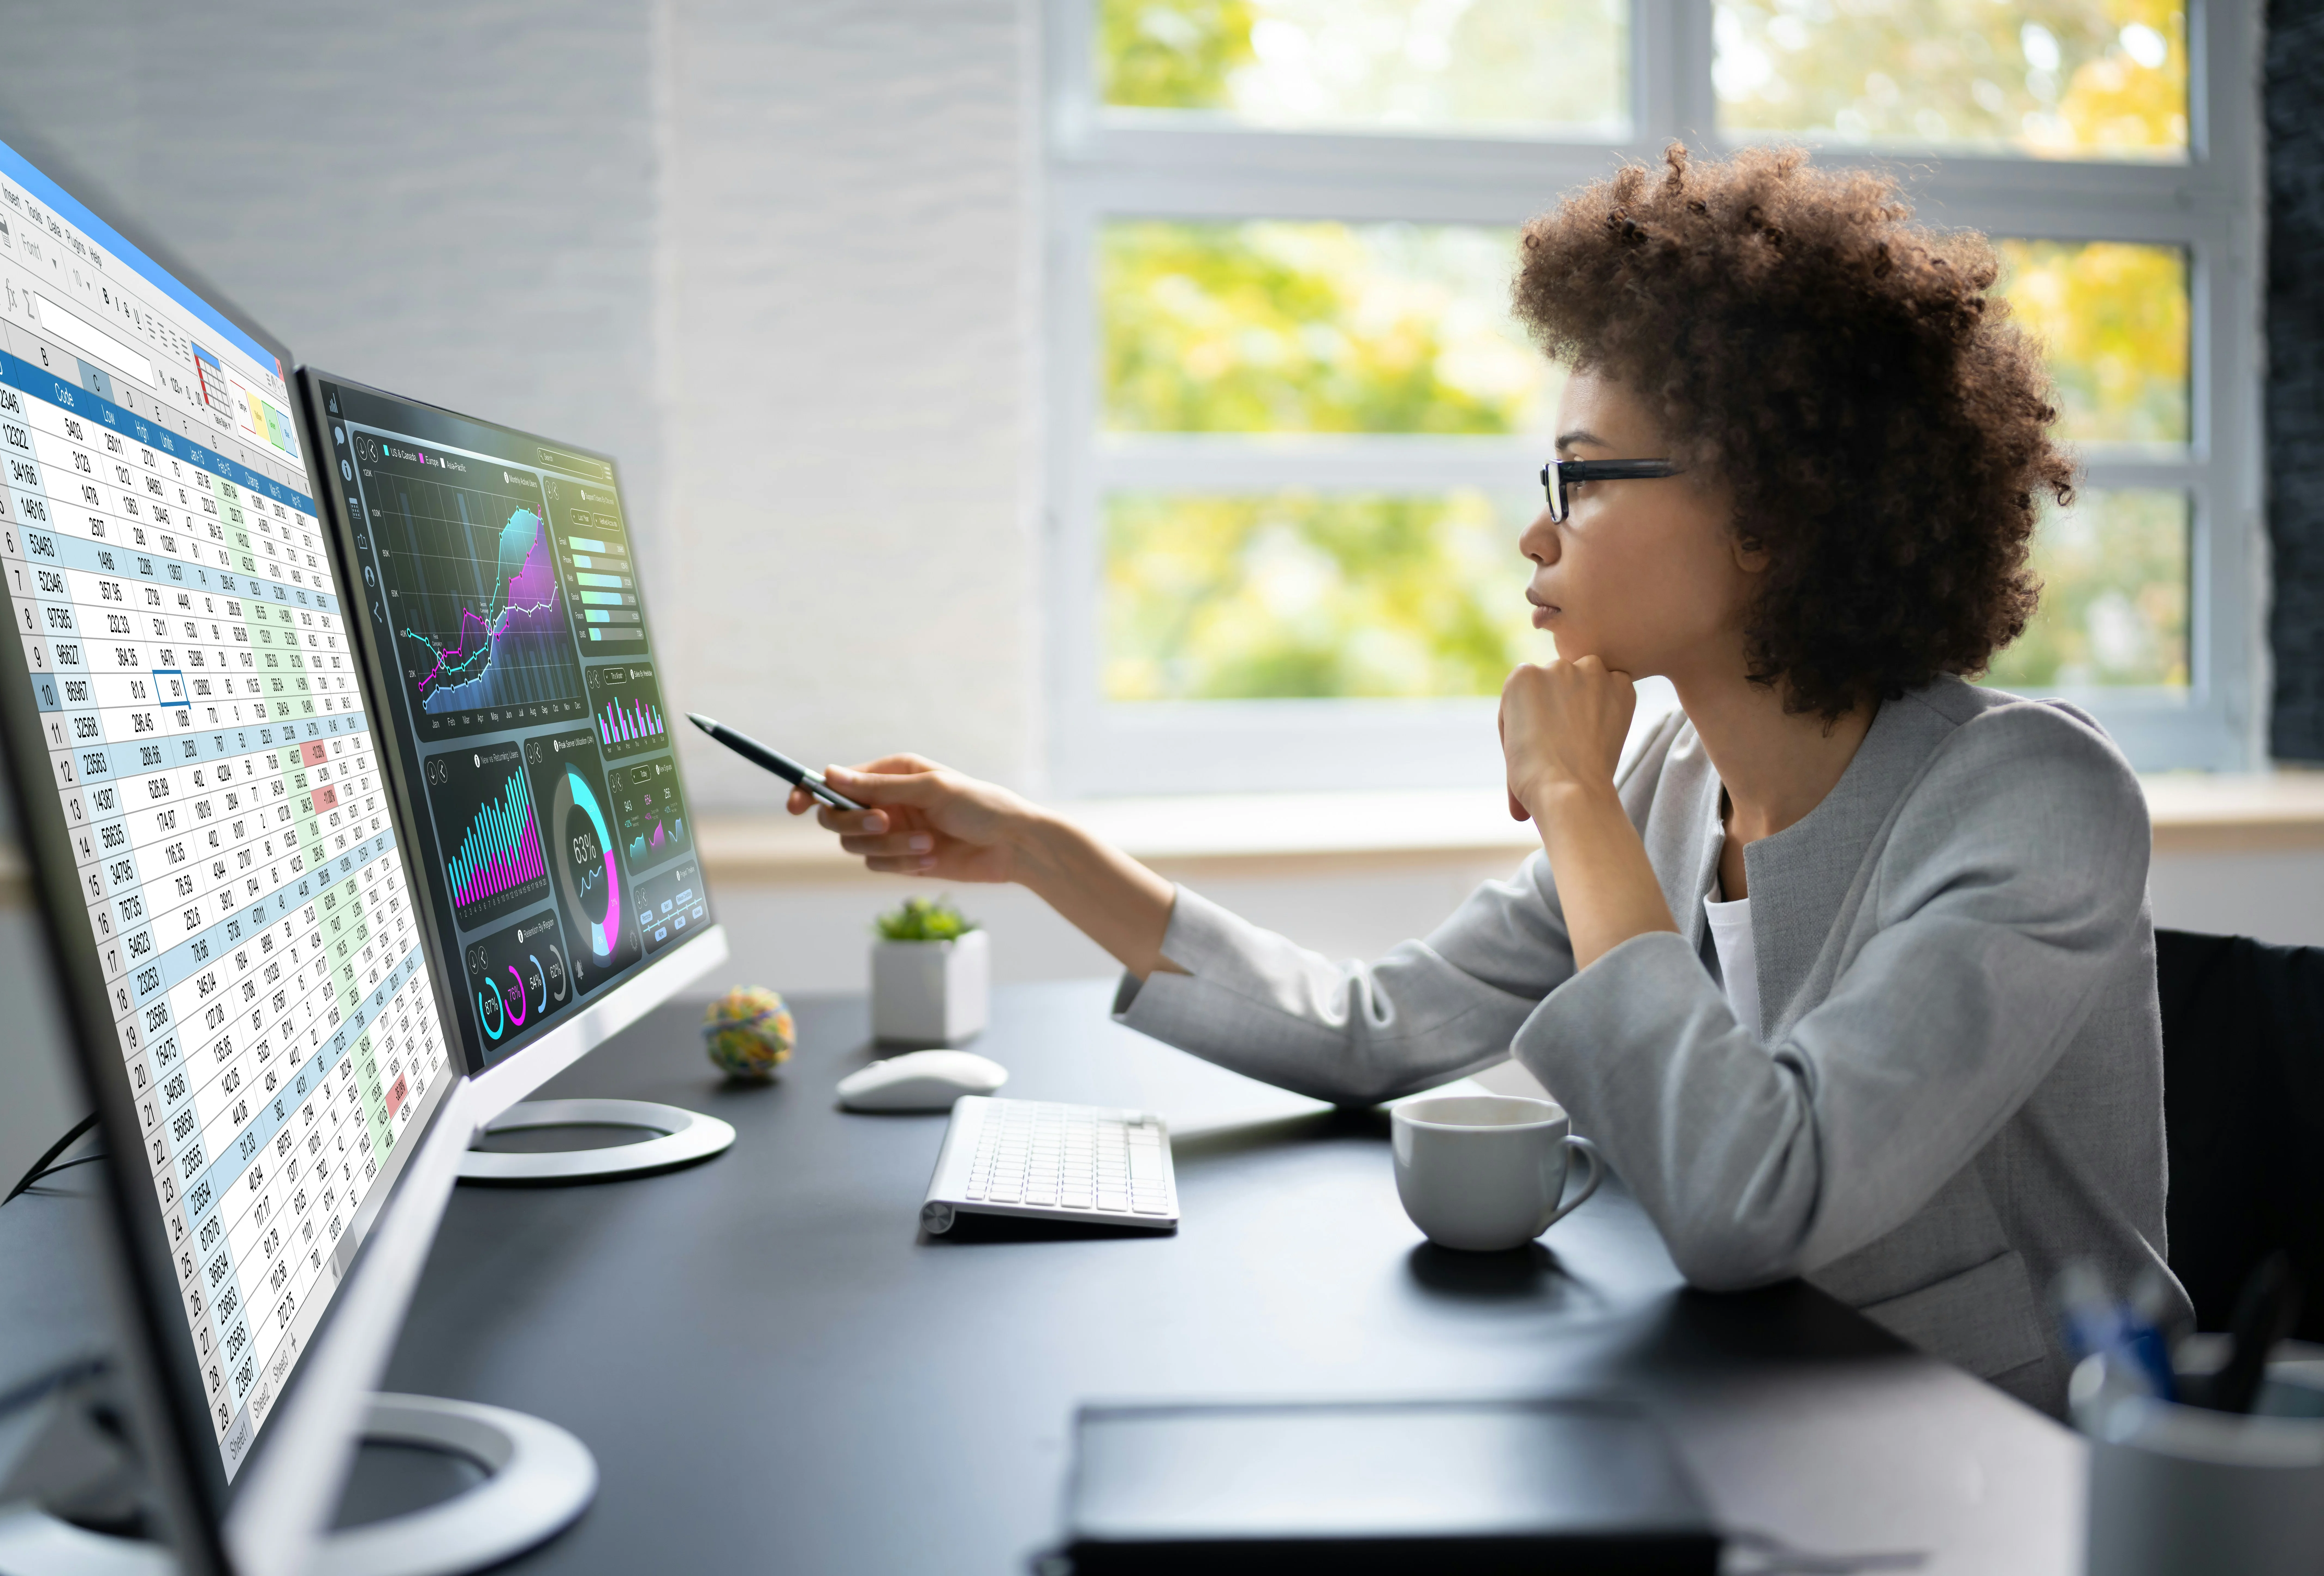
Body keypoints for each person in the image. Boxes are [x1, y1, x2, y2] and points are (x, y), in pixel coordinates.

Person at [788, 144, 2182, 1414]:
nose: (1534, 535)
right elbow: (1371, 1029)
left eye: (1580, 481)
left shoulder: (2029, 800)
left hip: (2019, 1467)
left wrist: (1571, 801)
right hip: (1763, 1407)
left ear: (1765, 510)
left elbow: (1753, 1198)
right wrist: (1033, 848)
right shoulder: (1674, 781)